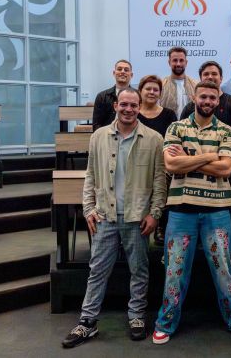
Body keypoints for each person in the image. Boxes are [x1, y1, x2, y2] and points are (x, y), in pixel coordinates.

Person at [62, 89, 167, 348]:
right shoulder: (98, 136)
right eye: (124, 104)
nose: (128, 109)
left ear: (140, 107)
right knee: (98, 270)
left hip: (137, 217)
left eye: (133, 105)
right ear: (116, 106)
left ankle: (137, 316)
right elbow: (90, 175)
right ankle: (87, 322)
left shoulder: (154, 139)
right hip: (105, 215)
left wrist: (155, 213)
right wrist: (88, 209)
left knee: (139, 269)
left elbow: (159, 180)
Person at [152, 81, 231, 344]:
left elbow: (226, 169)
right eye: (203, 96)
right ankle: (165, 323)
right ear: (194, 98)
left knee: (223, 271)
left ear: (218, 101)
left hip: (218, 211)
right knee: (175, 271)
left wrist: (189, 157)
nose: (207, 101)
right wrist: (209, 157)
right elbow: (171, 164)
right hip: (181, 211)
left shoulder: (227, 131)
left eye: (212, 98)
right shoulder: (176, 127)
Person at [180, 61, 231, 271]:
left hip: (229, 165)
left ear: (221, 78)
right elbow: (182, 139)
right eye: (206, 74)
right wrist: (205, 158)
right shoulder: (190, 108)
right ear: (200, 78)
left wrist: (217, 155)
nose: (210, 77)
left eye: (214, 74)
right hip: (197, 168)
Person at [137, 74, 177, 245]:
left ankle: (161, 224)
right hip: (137, 163)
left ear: (160, 93)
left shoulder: (169, 114)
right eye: (148, 89)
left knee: (167, 179)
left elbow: (174, 141)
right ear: (140, 91)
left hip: (162, 162)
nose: (152, 92)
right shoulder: (133, 113)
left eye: (156, 89)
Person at [92, 59, 134, 131]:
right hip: (107, 136)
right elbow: (97, 124)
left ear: (131, 75)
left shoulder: (137, 97)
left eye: (126, 70)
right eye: (119, 69)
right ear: (114, 73)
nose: (122, 72)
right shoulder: (102, 97)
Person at [159, 47, 198, 118]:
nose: (178, 64)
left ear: (186, 63)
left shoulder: (196, 85)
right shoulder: (161, 85)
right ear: (169, 62)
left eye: (181, 60)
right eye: (175, 60)